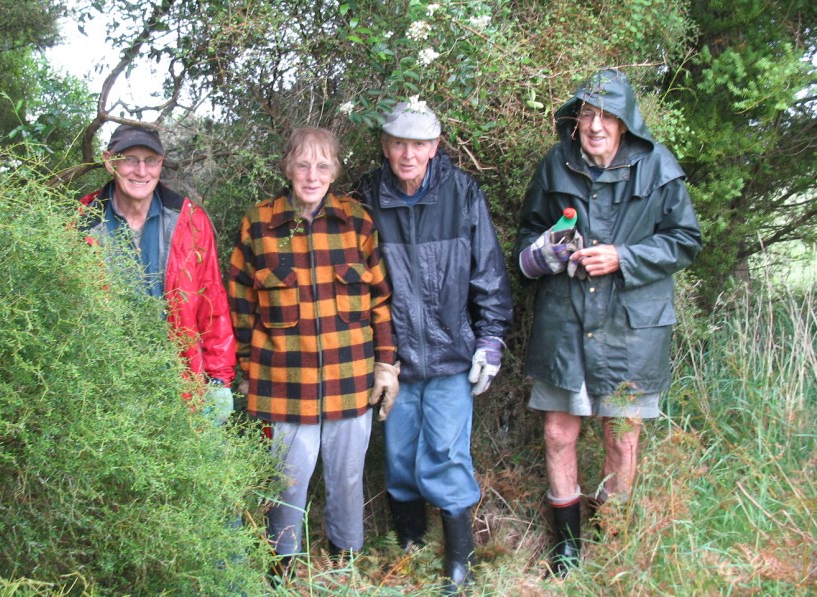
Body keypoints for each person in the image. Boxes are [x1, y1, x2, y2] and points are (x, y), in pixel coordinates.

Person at [515, 68, 702, 576]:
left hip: (629, 334)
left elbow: (685, 240)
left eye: (606, 116)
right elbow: (529, 231)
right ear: (575, 121)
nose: (595, 125)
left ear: (625, 123)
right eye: (586, 115)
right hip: (565, 328)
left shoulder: (658, 165)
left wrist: (624, 257)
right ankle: (567, 548)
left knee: (621, 434)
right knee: (558, 432)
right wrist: (546, 252)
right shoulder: (556, 163)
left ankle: (615, 537)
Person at [354, 100, 513, 593]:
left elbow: (487, 272)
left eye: (419, 144)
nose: (408, 153)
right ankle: (409, 546)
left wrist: (490, 338)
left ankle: (457, 564)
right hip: (392, 360)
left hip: (449, 355)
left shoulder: (462, 193)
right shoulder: (365, 198)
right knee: (399, 457)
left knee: (445, 454)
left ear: (435, 147)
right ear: (384, 146)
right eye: (398, 143)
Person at [228, 127, 397, 583]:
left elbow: (380, 299)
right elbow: (240, 302)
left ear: (335, 171)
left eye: (322, 166)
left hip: (351, 378)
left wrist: (386, 363)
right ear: (287, 167)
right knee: (286, 482)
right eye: (303, 164)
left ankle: (345, 563)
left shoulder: (357, 221)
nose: (312, 175)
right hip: (282, 380)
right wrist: (245, 367)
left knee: (347, 478)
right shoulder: (258, 224)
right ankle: (280, 569)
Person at [80, 123, 236, 420]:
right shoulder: (82, 223)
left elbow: (211, 301)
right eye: (130, 159)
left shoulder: (190, 220)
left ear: (161, 164)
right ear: (108, 160)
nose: (141, 171)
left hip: (181, 384)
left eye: (150, 160)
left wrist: (219, 379)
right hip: (110, 389)